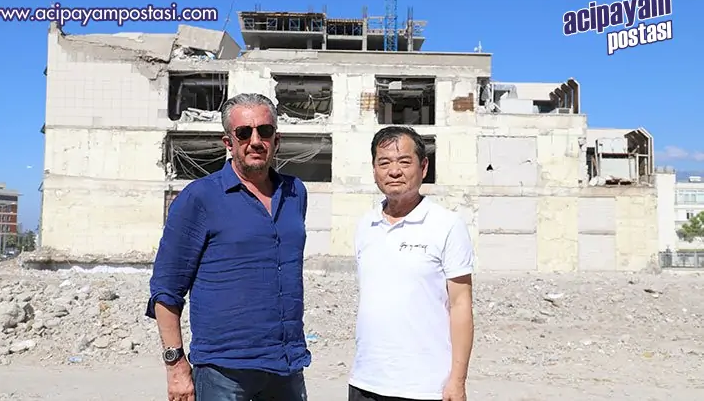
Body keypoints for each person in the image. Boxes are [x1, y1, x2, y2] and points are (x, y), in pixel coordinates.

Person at [146, 93, 311, 401]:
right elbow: (166, 289)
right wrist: (176, 366)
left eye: (264, 131)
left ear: (277, 140)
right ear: (228, 143)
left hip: (286, 367)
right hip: (223, 373)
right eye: (244, 133)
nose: (255, 141)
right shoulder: (199, 198)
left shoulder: (295, 193)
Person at [348, 126, 475, 401]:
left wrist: (457, 381)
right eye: (384, 163)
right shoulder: (366, 225)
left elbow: (461, 305)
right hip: (365, 381)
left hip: (424, 388)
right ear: (374, 170)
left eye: (404, 162)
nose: (394, 171)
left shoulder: (447, 225)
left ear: (423, 166)